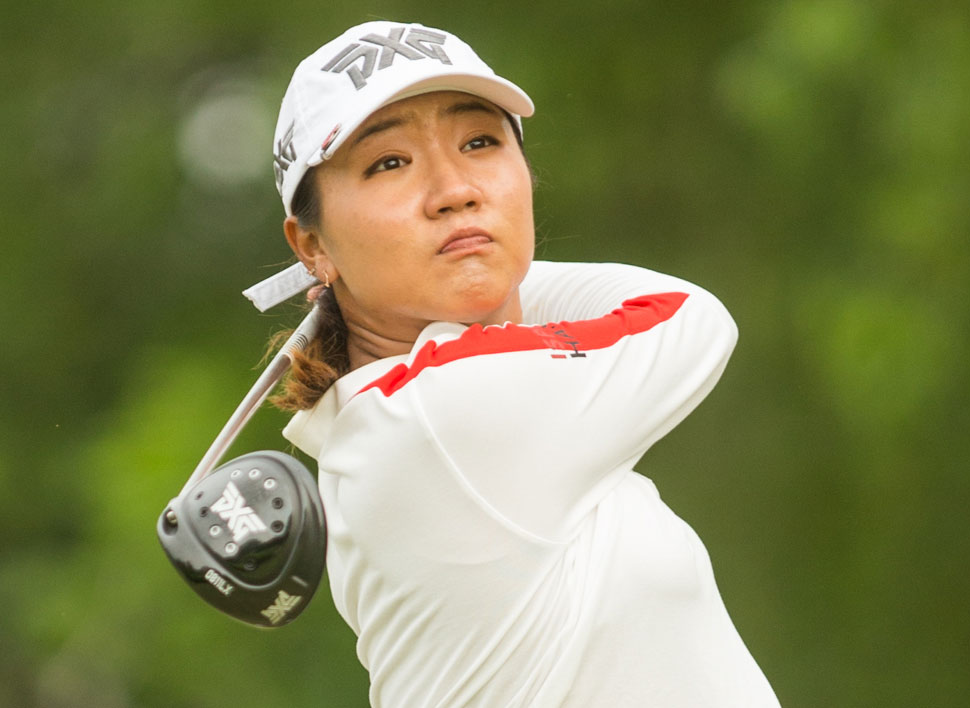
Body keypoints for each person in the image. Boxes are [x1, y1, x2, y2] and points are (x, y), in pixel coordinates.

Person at [267, 20, 779, 707]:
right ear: (311, 246)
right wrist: (493, 260)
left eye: (479, 143)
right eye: (388, 163)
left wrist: (471, 264)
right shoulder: (442, 409)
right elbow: (688, 315)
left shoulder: (379, 416)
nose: (454, 188)